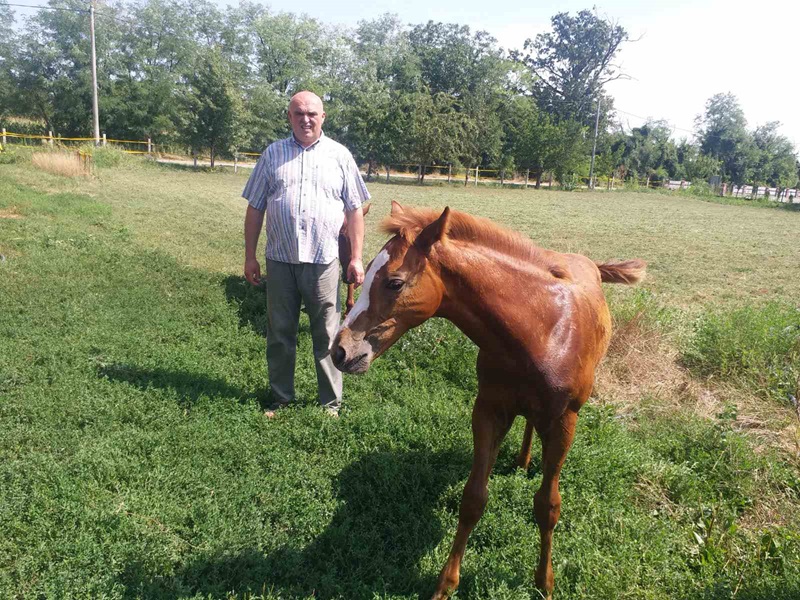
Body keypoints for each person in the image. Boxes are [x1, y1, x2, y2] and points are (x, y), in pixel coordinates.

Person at [242, 91, 369, 417]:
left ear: (323, 117)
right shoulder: (273, 154)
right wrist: (250, 256)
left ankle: (331, 403)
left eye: (312, 113)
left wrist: (355, 257)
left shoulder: (340, 156)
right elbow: (255, 207)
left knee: (326, 334)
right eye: (298, 113)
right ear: (289, 117)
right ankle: (281, 397)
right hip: (280, 259)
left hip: (323, 260)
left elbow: (355, 211)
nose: (305, 119)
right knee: (280, 332)